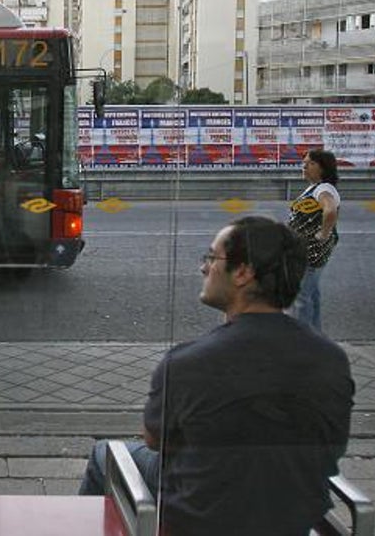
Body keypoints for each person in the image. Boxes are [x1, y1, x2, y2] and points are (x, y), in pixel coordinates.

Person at [79, 216, 355, 536]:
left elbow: (156, 440)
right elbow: (330, 444)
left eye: (212, 258)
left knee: (105, 454)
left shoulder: (188, 362)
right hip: (291, 516)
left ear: (243, 272)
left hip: (203, 517)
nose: (204, 268)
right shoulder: (332, 360)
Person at [288, 149, 341, 331]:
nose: (304, 166)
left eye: (310, 163)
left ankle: (302, 343)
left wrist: (323, 233)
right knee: (312, 295)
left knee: (301, 298)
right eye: (304, 162)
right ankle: (317, 336)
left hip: (311, 252)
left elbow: (330, 210)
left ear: (323, 168)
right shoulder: (315, 187)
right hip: (309, 251)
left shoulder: (323, 189)